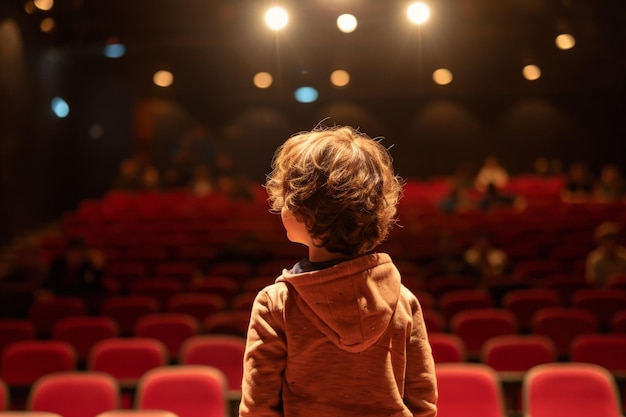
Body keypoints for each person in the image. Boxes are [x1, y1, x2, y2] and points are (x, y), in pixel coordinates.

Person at [239, 126, 437, 417]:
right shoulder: (402, 300)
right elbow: (422, 403)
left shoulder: (276, 303)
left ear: (303, 210)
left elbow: (258, 410)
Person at [585, 222, 626, 288]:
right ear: (599, 241)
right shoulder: (593, 258)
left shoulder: (624, 256)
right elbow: (592, 281)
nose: (610, 242)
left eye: (612, 238)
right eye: (606, 239)